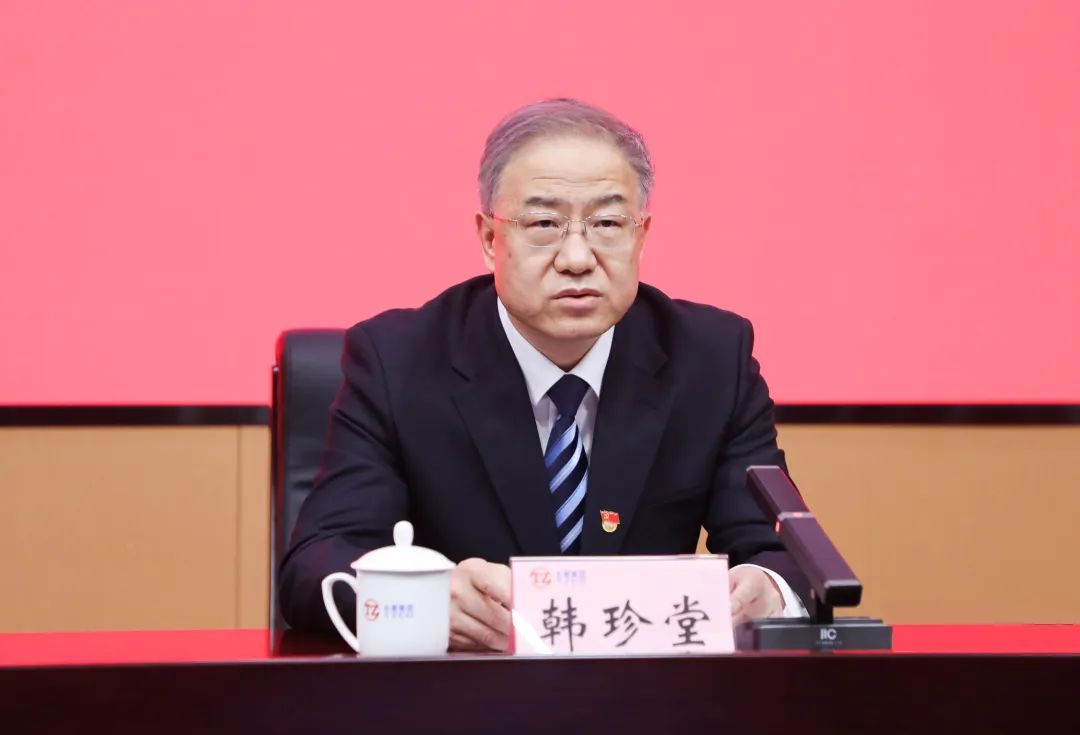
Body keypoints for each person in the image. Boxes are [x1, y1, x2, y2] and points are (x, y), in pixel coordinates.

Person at [280, 98, 808, 650]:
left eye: (607, 223)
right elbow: (316, 565)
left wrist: (768, 591)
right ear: (490, 239)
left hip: (647, 687)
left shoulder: (711, 359)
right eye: (544, 224)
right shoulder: (399, 359)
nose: (577, 257)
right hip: (466, 688)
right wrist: (424, 598)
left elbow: (784, 553)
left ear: (641, 236)